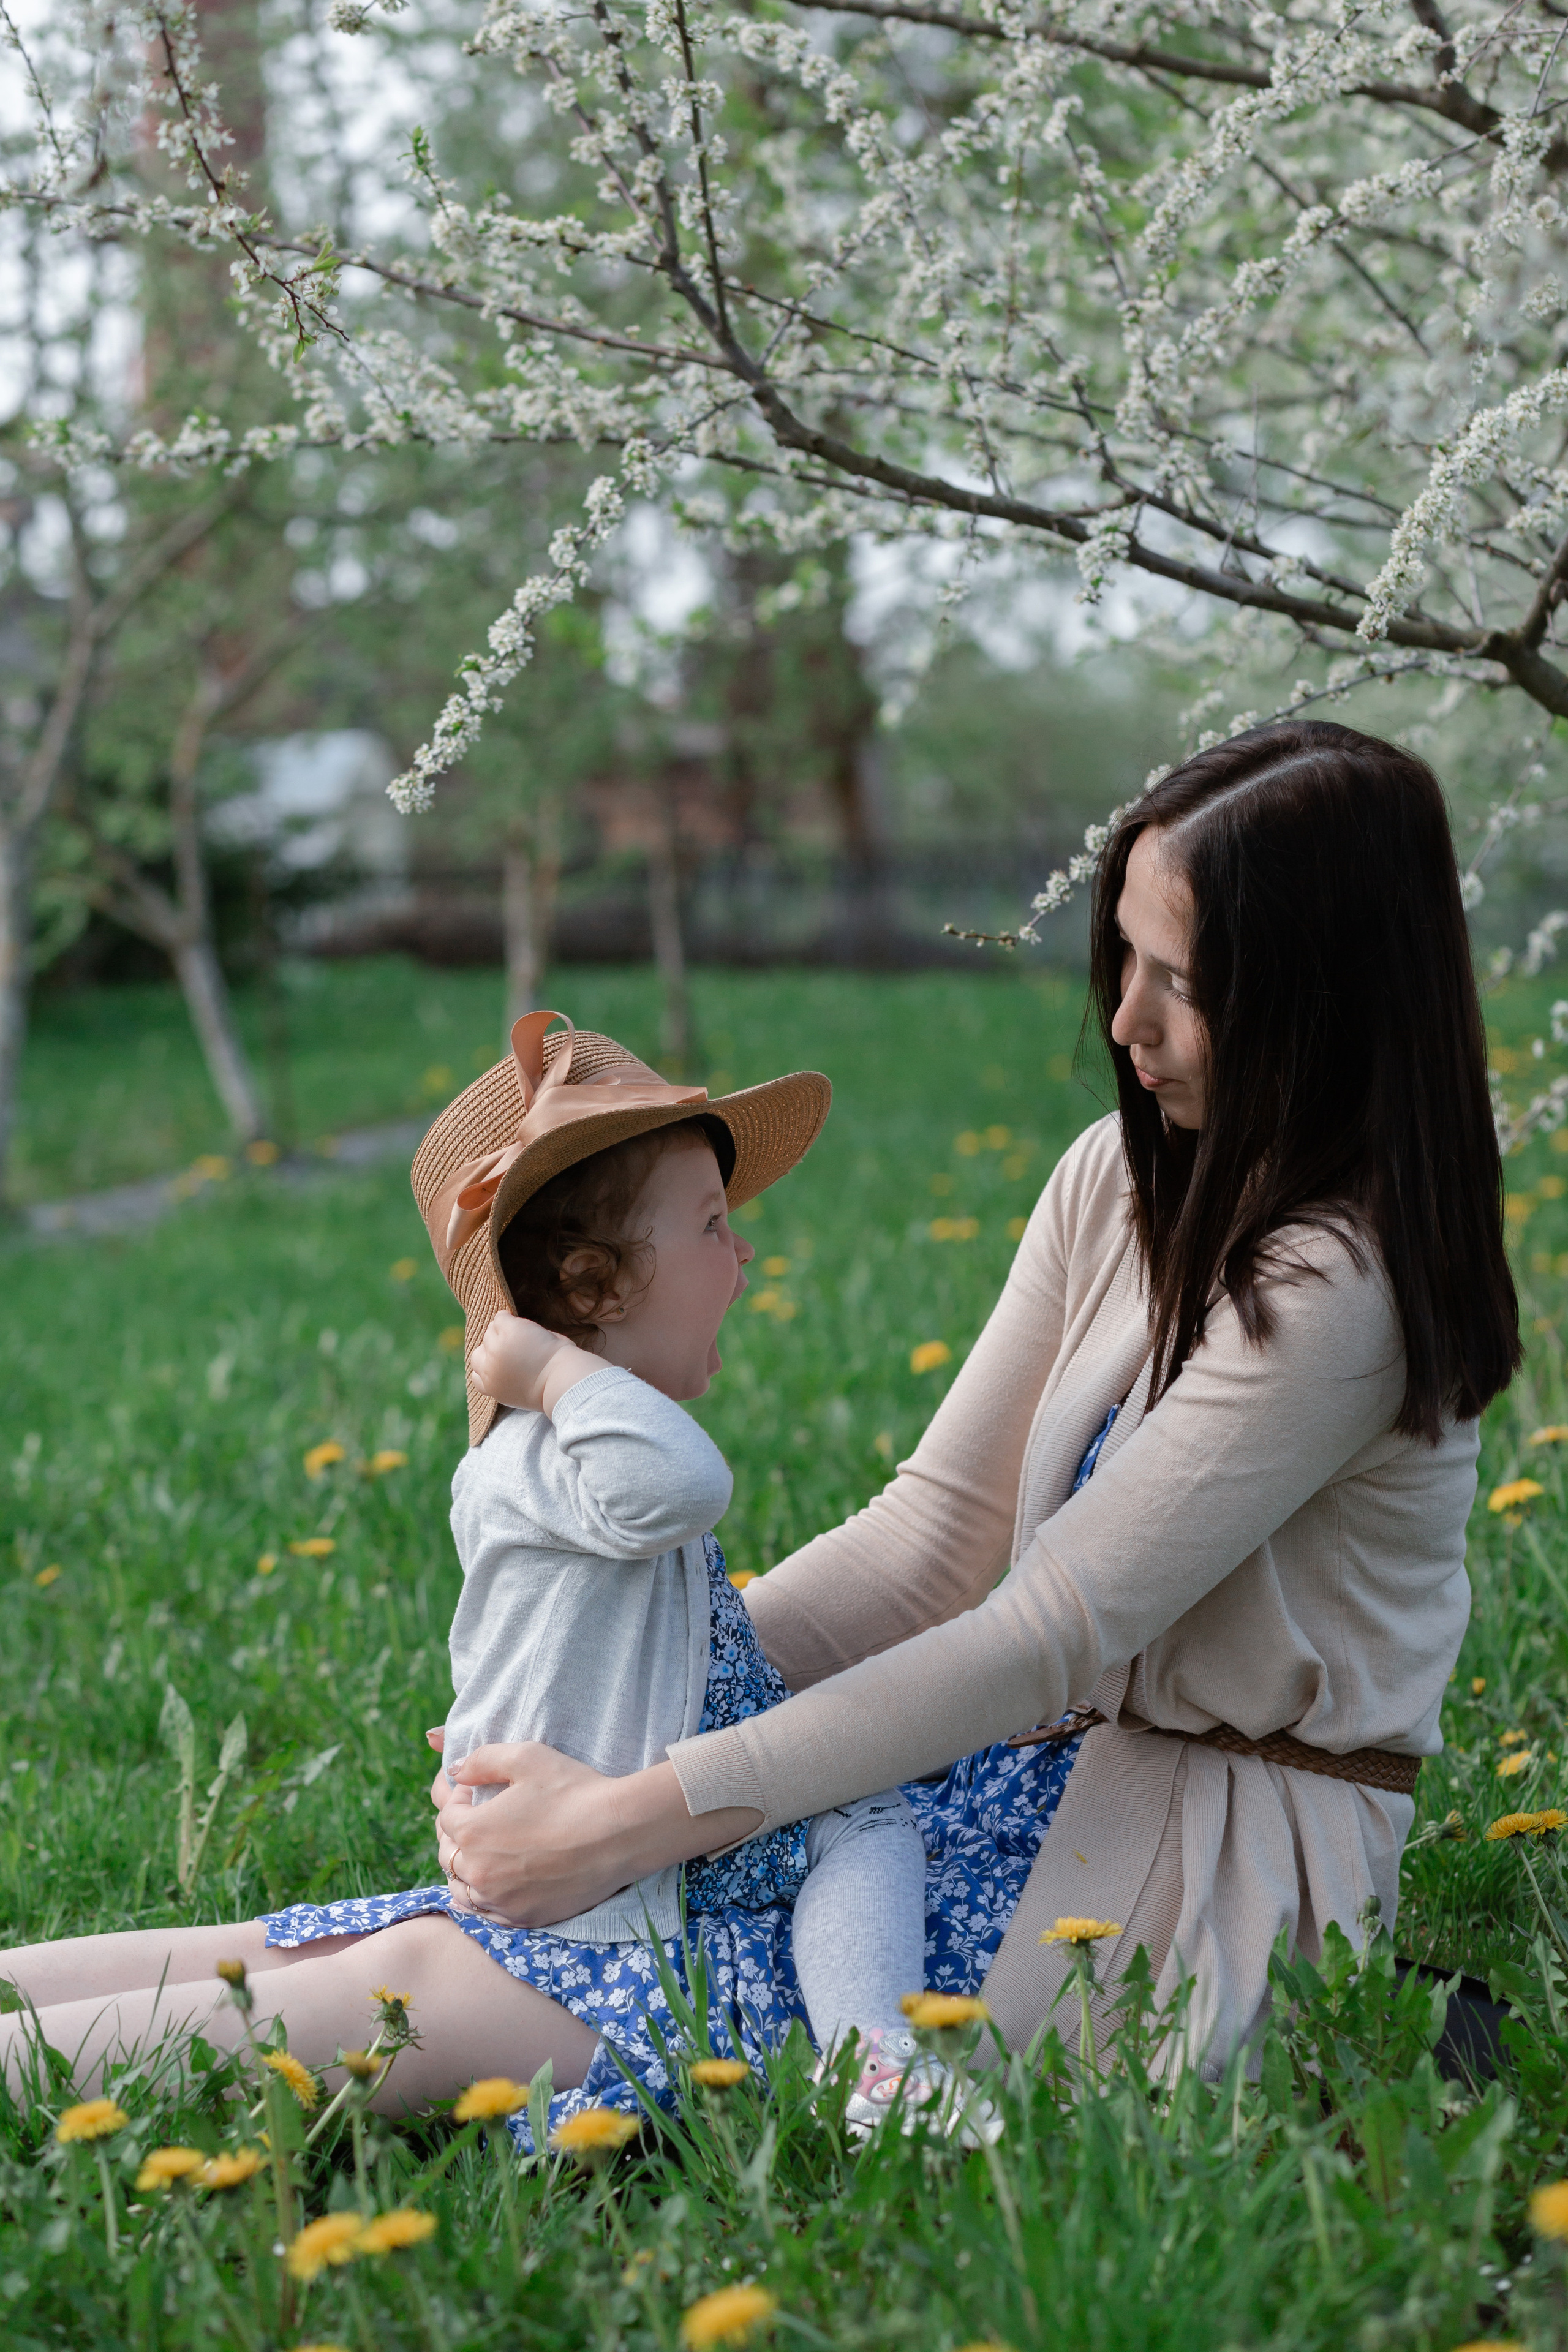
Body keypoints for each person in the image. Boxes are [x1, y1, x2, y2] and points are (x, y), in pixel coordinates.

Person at [416, 720, 1521, 2074]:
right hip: (1016, 1768)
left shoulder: (1339, 1288)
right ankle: (107, 2016)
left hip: (1208, 1861)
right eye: (1120, 954)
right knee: (486, 1941)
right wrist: (611, 1706)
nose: (1122, 1020)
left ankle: (141, 2055)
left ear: (1322, 1000)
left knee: (612, 1964)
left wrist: (634, 1811)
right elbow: (929, 1538)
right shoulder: (1114, 1180)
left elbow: (1046, 1629)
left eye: (1182, 981)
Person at [0, 1014, 943, 2139]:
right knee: (303, 1995)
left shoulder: (571, 1454)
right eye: (707, 1226)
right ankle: (881, 2069)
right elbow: (688, 1485)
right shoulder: (552, 1456)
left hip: (588, 1874)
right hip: (597, 1926)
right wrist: (552, 1371)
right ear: (593, 1283)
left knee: (294, 1953)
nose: (744, 1255)